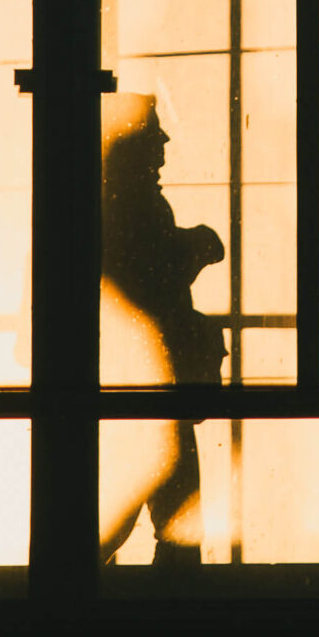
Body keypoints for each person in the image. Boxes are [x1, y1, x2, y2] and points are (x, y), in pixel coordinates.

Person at [98, 94, 225, 568]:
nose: (164, 141)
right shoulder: (137, 206)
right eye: (154, 132)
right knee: (176, 519)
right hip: (148, 386)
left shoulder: (101, 205)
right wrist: (198, 244)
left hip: (133, 384)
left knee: (152, 510)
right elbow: (154, 278)